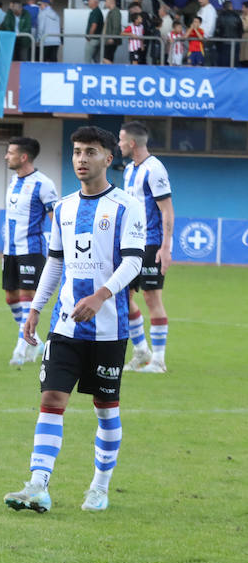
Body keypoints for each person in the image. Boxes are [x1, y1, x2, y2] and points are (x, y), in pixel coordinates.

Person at [4, 126, 145, 516]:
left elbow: (134, 261)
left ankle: (99, 487)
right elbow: (56, 261)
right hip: (65, 324)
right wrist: (35, 308)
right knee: (51, 399)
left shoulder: (126, 206)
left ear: (107, 159)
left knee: (105, 407)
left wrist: (101, 296)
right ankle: (38, 484)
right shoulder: (64, 207)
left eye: (91, 152)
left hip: (108, 328)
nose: (82, 159)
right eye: (77, 152)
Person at [118, 121, 173, 374]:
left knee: (152, 298)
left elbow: (167, 210)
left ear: (131, 143)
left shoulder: (155, 169)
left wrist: (165, 247)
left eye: (121, 140)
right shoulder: (129, 170)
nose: (118, 145)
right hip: (130, 244)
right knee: (124, 297)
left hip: (151, 243)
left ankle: (158, 360)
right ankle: (141, 350)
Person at [0, 136, 59, 367]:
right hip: (10, 252)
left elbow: (55, 219)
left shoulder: (43, 184)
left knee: (27, 298)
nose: (6, 156)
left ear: (24, 157)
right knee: (11, 298)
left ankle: (20, 349)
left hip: (31, 250)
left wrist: (58, 250)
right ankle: (34, 341)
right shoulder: (13, 181)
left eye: (10, 152)